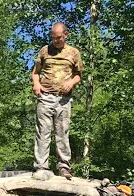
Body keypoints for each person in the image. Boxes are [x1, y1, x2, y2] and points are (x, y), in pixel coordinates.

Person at [32, 22, 83, 180]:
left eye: (59, 38)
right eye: (53, 38)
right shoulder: (45, 51)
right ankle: (41, 166)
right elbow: (35, 72)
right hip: (45, 98)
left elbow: (78, 75)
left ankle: (63, 166)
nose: (56, 41)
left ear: (66, 35)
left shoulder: (73, 53)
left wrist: (71, 83)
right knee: (43, 132)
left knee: (62, 133)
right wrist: (36, 84)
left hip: (63, 100)